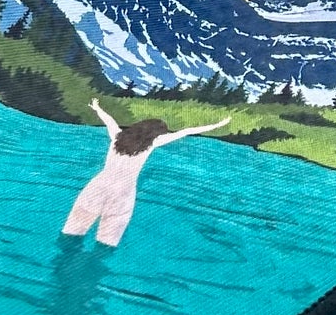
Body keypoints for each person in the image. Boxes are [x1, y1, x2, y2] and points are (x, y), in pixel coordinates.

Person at [61, 99, 233, 249]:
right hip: (123, 192)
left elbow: (109, 120)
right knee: (107, 242)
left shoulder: (118, 137)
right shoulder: (152, 144)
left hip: (99, 186)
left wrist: (97, 108)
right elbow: (186, 131)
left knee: (72, 231)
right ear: (155, 133)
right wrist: (218, 125)